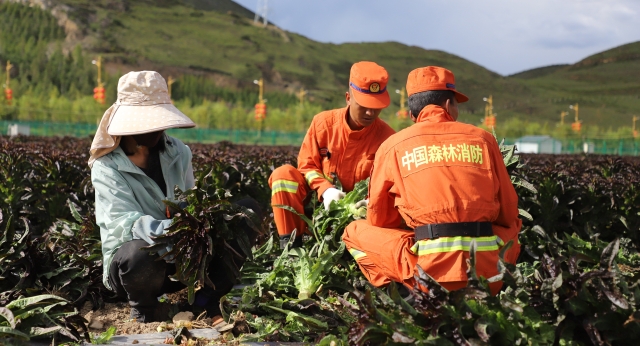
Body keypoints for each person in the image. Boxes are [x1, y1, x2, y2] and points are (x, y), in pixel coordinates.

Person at [90, 71, 260, 324]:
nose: (157, 130)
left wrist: (200, 219)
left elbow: (189, 200)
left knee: (245, 212)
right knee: (138, 252)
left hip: (182, 259)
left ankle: (207, 299)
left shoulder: (178, 152)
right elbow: (123, 223)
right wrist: (176, 230)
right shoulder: (107, 167)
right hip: (136, 269)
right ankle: (145, 309)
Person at [342, 66, 522, 295]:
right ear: (448, 105)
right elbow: (508, 211)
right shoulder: (484, 139)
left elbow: (380, 220)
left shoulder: (392, 146)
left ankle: (400, 292)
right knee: (515, 225)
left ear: (411, 115)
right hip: (488, 276)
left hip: (426, 276)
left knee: (353, 231)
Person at [269, 61, 396, 248]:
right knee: (283, 176)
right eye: (364, 105)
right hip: (316, 210)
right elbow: (307, 165)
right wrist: (325, 190)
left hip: (360, 219)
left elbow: (391, 185)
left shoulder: (389, 138)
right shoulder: (323, 124)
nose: (370, 112)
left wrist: (372, 202)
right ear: (348, 98)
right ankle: (290, 248)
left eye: (377, 107)